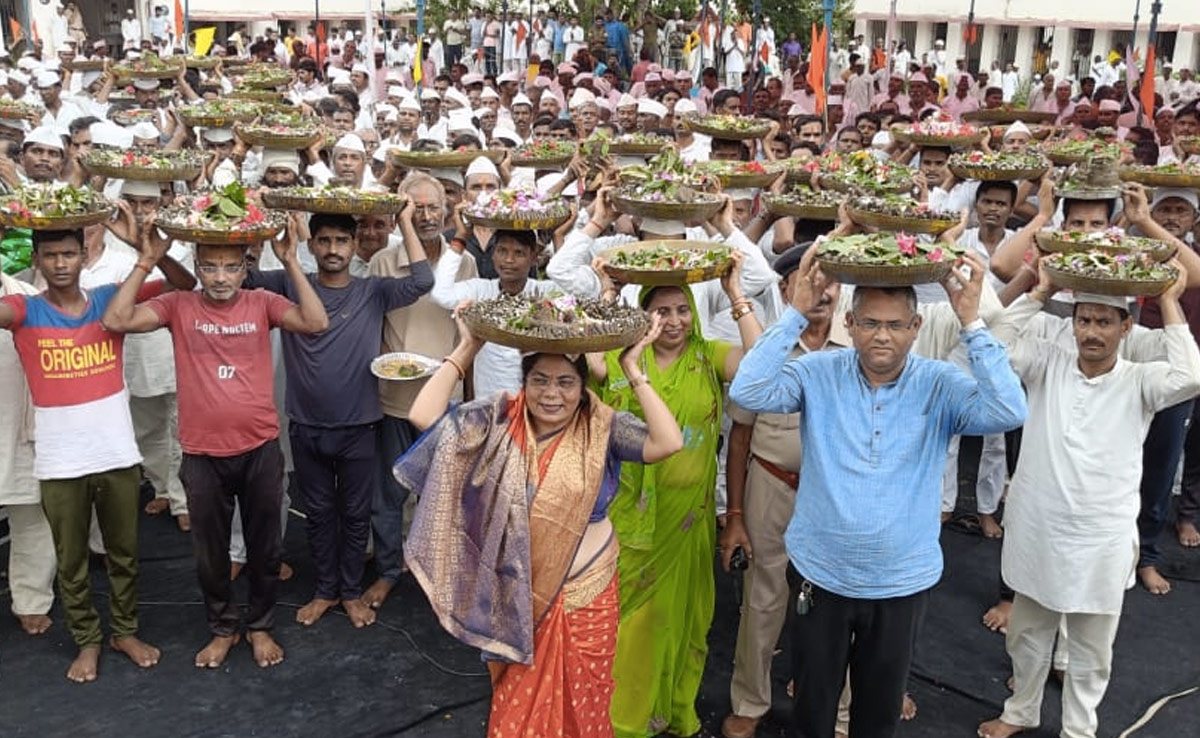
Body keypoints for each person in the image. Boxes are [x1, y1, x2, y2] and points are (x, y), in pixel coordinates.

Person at [729, 248, 1027, 738]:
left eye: (894, 324)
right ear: (851, 322)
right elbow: (750, 391)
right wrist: (795, 314)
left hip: (900, 583)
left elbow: (1008, 411)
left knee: (878, 714)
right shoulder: (818, 372)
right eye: (869, 323)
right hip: (821, 576)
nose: (881, 336)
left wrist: (972, 324)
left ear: (915, 327)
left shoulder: (939, 383)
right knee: (812, 708)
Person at [977, 262, 1200, 738]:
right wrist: (1043, 289)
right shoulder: (1046, 362)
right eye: (1084, 320)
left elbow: (1190, 375)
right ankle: (1021, 711)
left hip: (1099, 536)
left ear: (1125, 328)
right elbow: (993, 341)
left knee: (1090, 649)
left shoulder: (1140, 380)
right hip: (1037, 525)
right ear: (1072, 323)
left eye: (1104, 322)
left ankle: (1079, 730)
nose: (1092, 332)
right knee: (1027, 636)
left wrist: (1168, 299)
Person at [101, 216, 329, 670]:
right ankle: (223, 627)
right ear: (197, 268)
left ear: (246, 268)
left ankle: (260, 625)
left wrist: (289, 260)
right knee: (211, 553)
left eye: (230, 267)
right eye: (210, 267)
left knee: (266, 547)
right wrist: (148, 260)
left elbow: (315, 320)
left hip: (260, 447)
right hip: (203, 452)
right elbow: (116, 318)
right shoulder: (179, 305)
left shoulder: (262, 302)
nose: (220, 278)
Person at [0, 228, 191, 682]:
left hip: (117, 454)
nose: (61, 263)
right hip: (60, 461)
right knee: (71, 561)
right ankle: (87, 638)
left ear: (84, 256)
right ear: (37, 260)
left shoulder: (109, 300)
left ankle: (124, 631)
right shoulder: (26, 310)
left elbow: (183, 287)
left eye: (69, 253)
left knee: (124, 553)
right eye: (51, 255)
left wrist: (153, 255)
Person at [592, 253, 765, 738]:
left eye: (682, 309)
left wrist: (735, 294)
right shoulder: (620, 356)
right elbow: (586, 358)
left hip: (689, 519)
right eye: (661, 311)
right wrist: (607, 293)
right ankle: (625, 720)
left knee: (683, 620)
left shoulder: (708, 355)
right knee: (635, 625)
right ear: (642, 315)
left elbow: (760, 363)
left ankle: (670, 709)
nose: (673, 321)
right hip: (633, 523)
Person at [242, 210, 433, 628]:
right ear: (312, 245)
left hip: (360, 425)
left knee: (355, 511)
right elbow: (244, 276)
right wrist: (260, 225)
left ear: (353, 246)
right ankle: (325, 589)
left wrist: (403, 220)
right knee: (319, 511)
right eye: (324, 241)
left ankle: (349, 591)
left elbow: (423, 281)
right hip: (306, 424)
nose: (332, 250)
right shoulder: (291, 283)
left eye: (341, 242)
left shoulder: (373, 290)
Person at [719, 244, 846, 738]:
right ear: (787, 290)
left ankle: (839, 709)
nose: (823, 290)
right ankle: (750, 701)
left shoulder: (857, 344)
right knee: (764, 597)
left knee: (838, 601)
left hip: (835, 495)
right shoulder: (769, 348)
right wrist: (734, 514)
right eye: (810, 280)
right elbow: (740, 439)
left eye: (831, 280)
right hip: (772, 483)